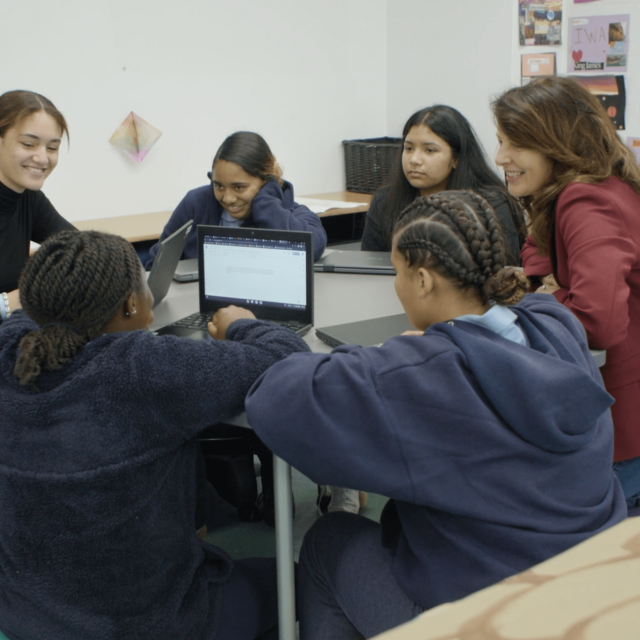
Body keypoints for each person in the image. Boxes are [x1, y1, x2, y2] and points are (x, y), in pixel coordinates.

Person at [242, 190, 627, 639]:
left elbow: (277, 398)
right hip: (586, 582)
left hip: (494, 614)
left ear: (423, 280)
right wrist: (428, 347)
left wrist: (250, 329)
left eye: (397, 272)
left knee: (328, 540)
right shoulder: (556, 325)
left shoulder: (420, 374)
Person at [0, 230, 309, 640]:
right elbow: (286, 360)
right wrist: (241, 326)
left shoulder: (9, 354)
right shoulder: (143, 370)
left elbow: (21, 314)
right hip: (146, 626)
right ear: (131, 304)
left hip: (25, 617)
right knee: (299, 580)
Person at [493, 76, 640, 511]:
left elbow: (597, 321)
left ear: (555, 143)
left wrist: (531, 299)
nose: (501, 158)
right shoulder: (585, 188)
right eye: (500, 142)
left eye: (515, 143)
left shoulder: (585, 199)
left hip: (623, 417)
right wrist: (552, 285)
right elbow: (538, 253)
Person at [361, 105, 525, 263]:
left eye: (429, 150)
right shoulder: (384, 201)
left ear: (456, 158)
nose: (414, 160)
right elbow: (369, 266)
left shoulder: (492, 204)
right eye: (409, 148)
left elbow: (505, 274)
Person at [145, 131, 327, 267]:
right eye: (219, 186)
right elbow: (157, 262)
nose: (228, 198)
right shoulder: (196, 202)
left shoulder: (290, 213)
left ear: (266, 181)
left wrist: (266, 201)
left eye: (239, 187)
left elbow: (313, 248)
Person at [0, 89, 75, 322]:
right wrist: (12, 302)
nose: (43, 158)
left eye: (52, 148)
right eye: (29, 144)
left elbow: (83, 247)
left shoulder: (28, 198)